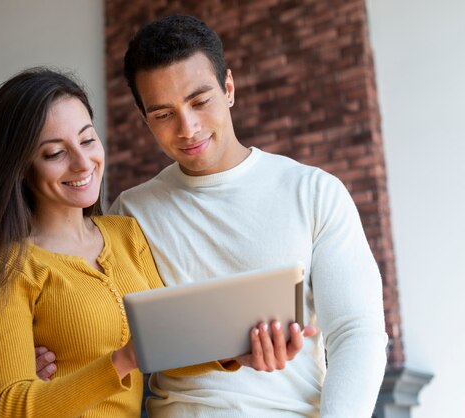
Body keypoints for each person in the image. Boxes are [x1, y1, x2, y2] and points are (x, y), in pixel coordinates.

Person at [35, 15, 388, 418]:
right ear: (144, 119)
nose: (188, 128)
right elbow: (100, 332)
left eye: (200, 101)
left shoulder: (313, 192)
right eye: (163, 114)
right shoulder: (129, 214)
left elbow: (357, 332)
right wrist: (48, 357)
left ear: (229, 88)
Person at [0, 67, 307, 418]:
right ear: (18, 167)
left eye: (87, 139)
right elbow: (11, 407)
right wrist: (124, 360)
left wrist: (236, 352)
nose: (83, 163)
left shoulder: (124, 233)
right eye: (55, 153)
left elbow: (168, 342)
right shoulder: (9, 265)